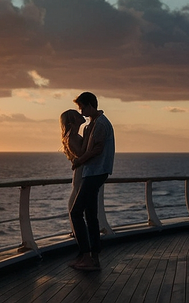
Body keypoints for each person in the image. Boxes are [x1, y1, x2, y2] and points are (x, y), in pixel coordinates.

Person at [69, 92, 115, 271]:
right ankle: (93, 257)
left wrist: (79, 161)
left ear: (89, 105)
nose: (81, 112)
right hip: (93, 172)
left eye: (82, 107)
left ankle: (85, 255)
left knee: (76, 212)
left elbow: (96, 149)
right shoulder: (93, 124)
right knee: (90, 214)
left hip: (96, 171)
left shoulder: (101, 124)